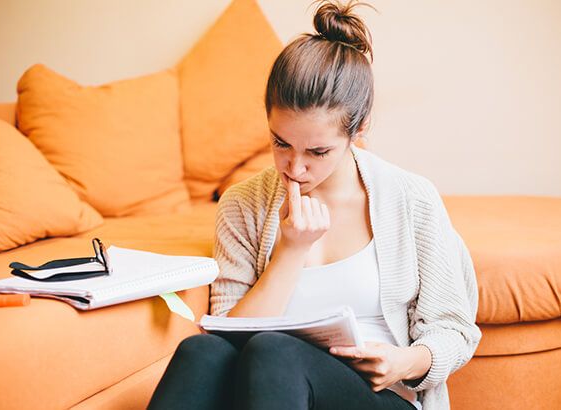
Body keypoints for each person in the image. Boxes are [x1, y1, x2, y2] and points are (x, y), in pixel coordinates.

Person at [148, 1, 481, 409]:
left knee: (276, 351)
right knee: (200, 352)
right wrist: (290, 250)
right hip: (270, 387)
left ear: (358, 129)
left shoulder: (412, 199)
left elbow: (455, 331)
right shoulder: (242, 205)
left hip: (380, 396)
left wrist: (402, 362)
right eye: (280, 143)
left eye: (318, 151)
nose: (295, 167)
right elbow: (225, 337)